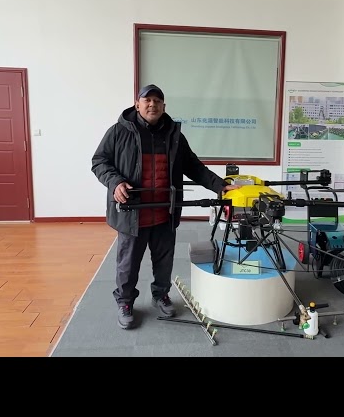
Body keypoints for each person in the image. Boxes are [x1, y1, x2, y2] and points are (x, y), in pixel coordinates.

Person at [91, 84, 240, 330]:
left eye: (157, 101)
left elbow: (193, 166)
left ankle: (161, 294)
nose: (152, 104)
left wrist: (220, 186)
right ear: (137, 104)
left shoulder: (174, 135)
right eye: (147, 100)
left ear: (164, 106)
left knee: (164, 260)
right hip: (132, 214)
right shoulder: (118, 131)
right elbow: (99, 161)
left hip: (164, 211)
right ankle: (125, 302)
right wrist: (115, 182)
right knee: (128, 263)